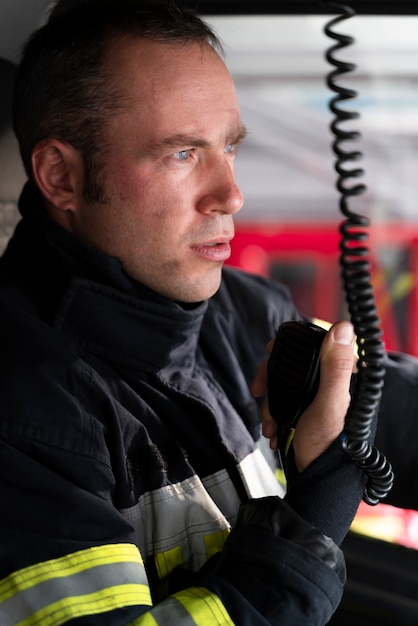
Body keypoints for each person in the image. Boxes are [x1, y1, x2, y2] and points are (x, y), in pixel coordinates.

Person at [0, 0, 414, 624]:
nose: (232, 194)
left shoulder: (240, 311)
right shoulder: (24, 414)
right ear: (62, 177)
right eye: (182, 154)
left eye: (229, 147)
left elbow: (377, 402)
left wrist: (364, 408)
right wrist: (312, 516)